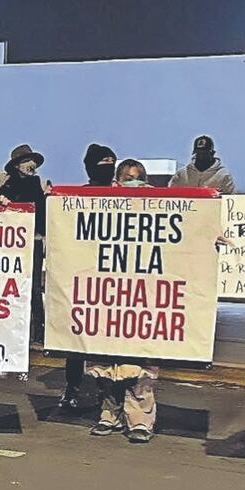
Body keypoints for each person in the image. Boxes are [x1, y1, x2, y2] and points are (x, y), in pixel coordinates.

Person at [85, 161, 159, 443]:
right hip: (109, 297)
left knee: (139, 366)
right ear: (116, 182)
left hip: (140, 299)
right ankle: (109, 413)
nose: (134, 185)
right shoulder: (100, 209)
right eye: (128, 180)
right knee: (106, 365)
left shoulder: (155, 212)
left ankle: (140, 420)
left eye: (139, 181)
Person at [59, 143, 118, 410]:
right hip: (83, 281)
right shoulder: (76, 200)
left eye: (111, 162)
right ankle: (72, 387)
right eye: (102, 163)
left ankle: (105, 391)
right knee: (77, 341)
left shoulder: (126, 198)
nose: (108, 168)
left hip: (115, 281)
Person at [0, 144, 48, 340]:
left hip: (33, 240)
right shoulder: (8, 186)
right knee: (15, 285)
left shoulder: (38, 184)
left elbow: (42, 214)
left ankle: (39, 330)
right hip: (14, 243)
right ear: (17, 165)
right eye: (25, 161)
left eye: (31, 161)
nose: (30, 164)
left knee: (34, 286)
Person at [169, 135, 236, 193]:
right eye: (199, 153)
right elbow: (170, 195)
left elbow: (230, 200)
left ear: (212, 153)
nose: (201, 157)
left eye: (205, 154)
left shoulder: (223, 175)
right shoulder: (181, 174)